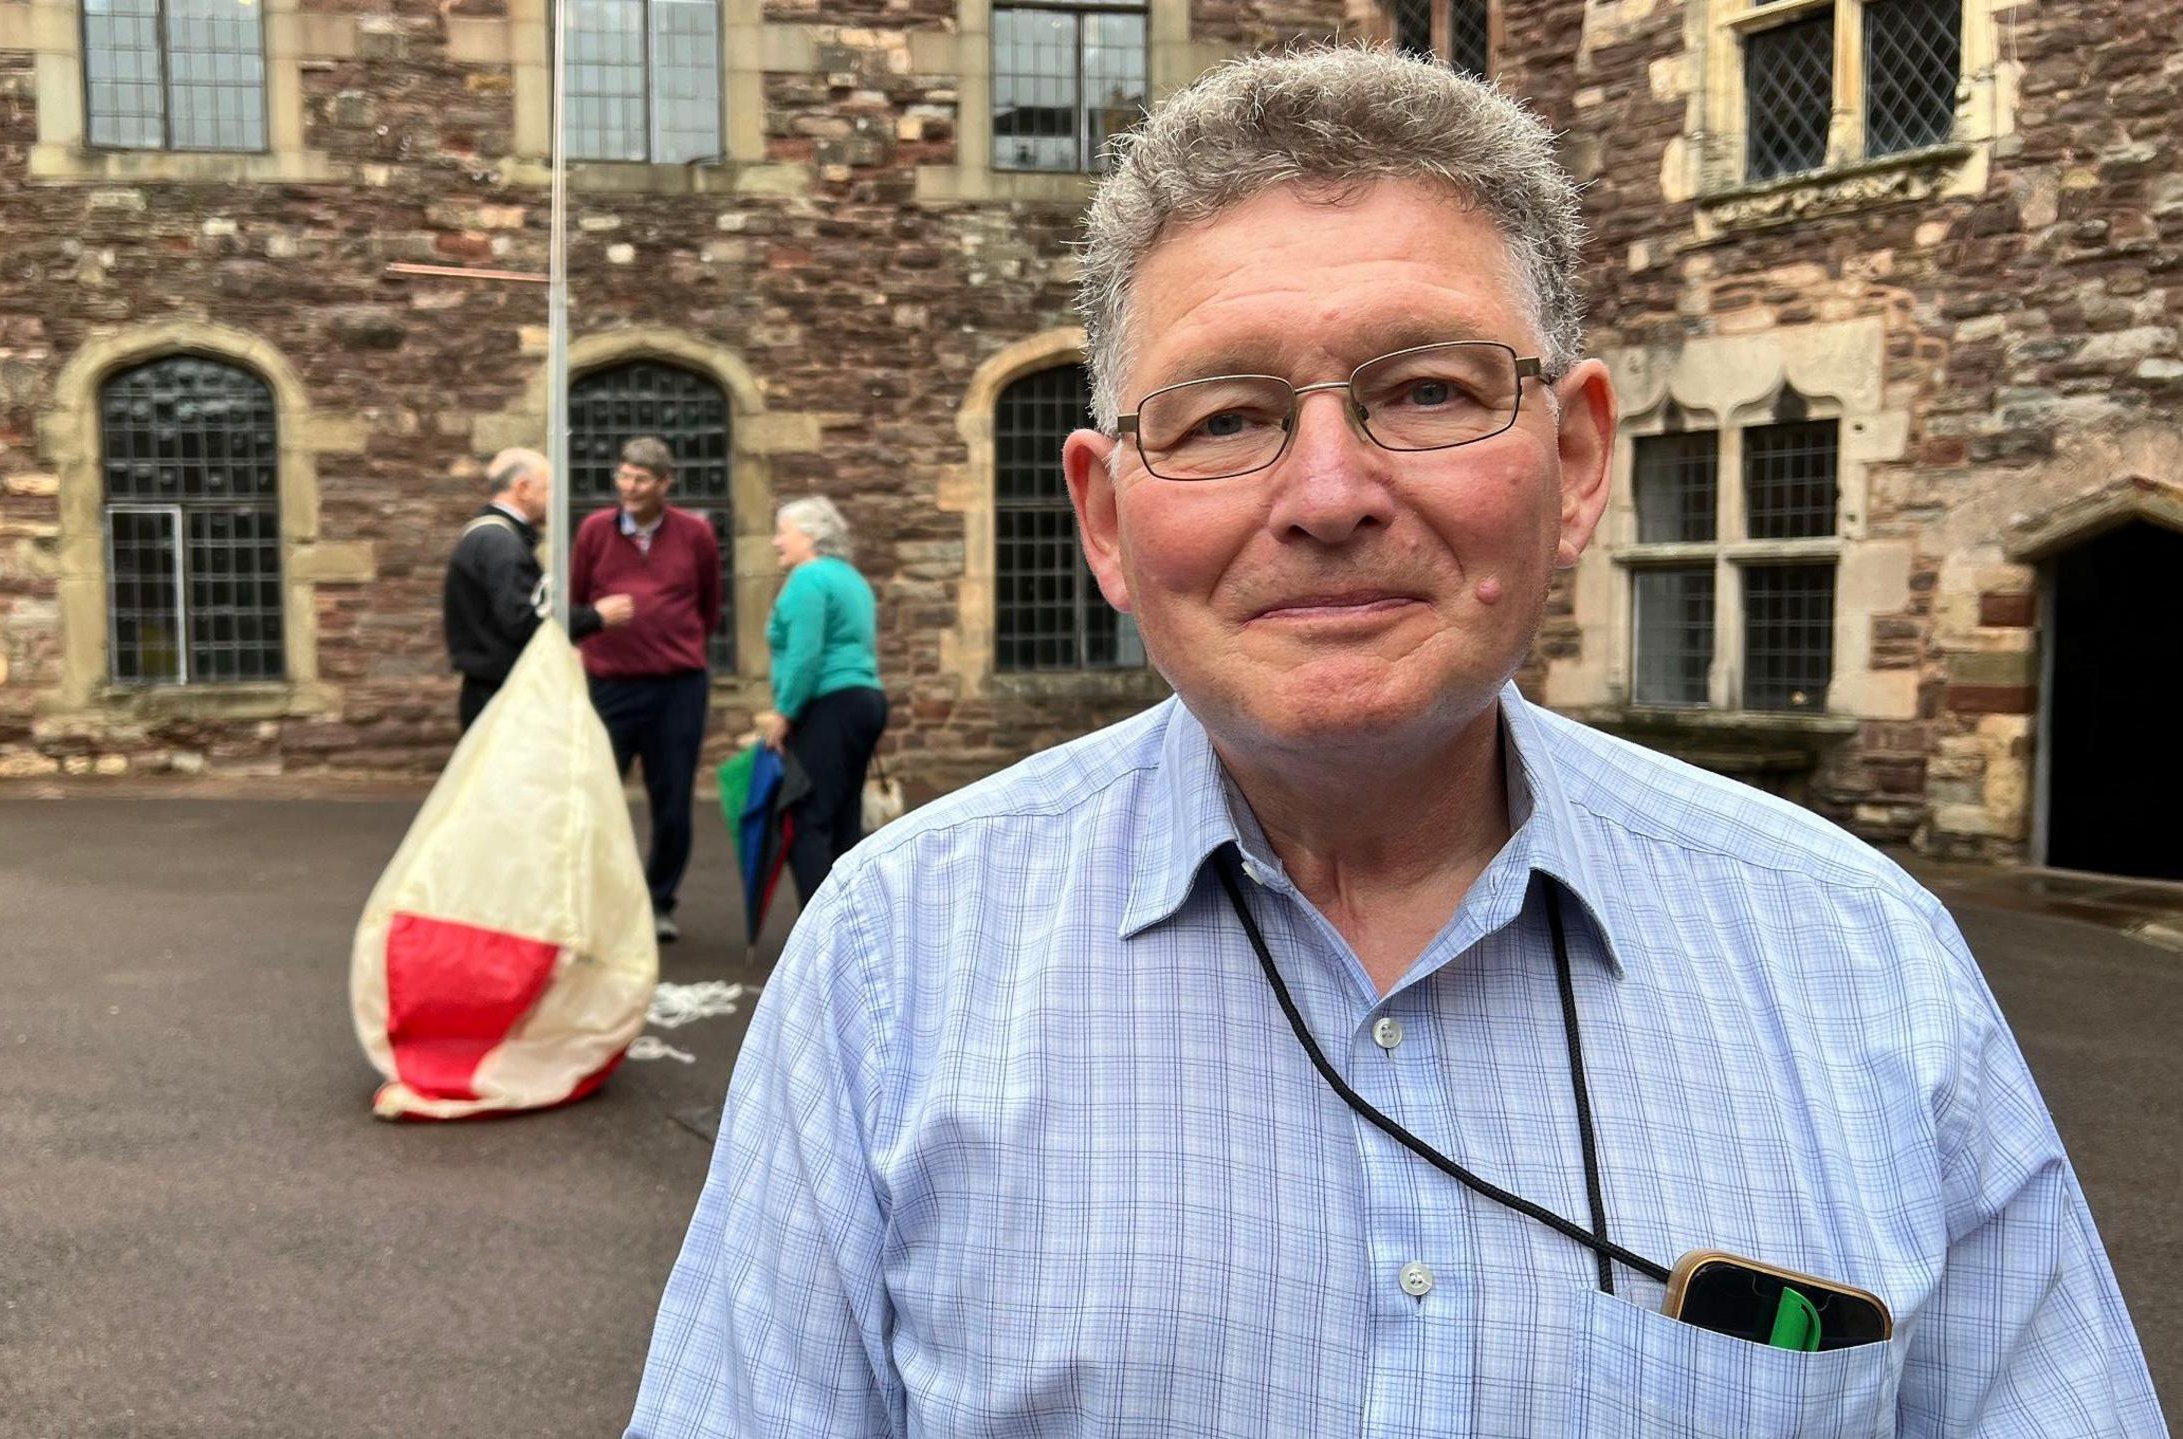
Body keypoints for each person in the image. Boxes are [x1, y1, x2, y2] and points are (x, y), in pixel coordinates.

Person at [629, 48, 2165, 1436]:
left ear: (1573, 461)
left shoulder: (1859, 955)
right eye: (1224, 416)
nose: (1326, 491)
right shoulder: (896, 960)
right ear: (1104, 516)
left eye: (1424, 391)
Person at [572, 436, 723, 943]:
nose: (628, 487)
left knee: (673, 800)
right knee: (594, 796)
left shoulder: (695, 533)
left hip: (677, 688)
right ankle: (597, 902)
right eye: (624, 476)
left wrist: (674, 643)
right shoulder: (594, 530)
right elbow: (576, 600)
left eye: (640, 479)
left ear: (664, 484)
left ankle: (660, 901)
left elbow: (709, 605)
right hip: (610, 684)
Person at [442, 447, 631, 731]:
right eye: (549, 490)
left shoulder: (489, 536)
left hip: (494, 689)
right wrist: (595, 617)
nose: (555, 501)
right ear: (523, 488)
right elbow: (523, 621)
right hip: (501, 695)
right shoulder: (500, 543)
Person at [756, 496, 887, 905]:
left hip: (828, 705)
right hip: (865, 702)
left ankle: (821, 931)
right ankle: (851, 919)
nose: (777, 542)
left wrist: (784, 713)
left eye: (783, 532)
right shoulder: (850, 578)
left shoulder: (808, 578)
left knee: (805, 818)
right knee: (844, 818)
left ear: (810, 535)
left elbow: (804, 655)